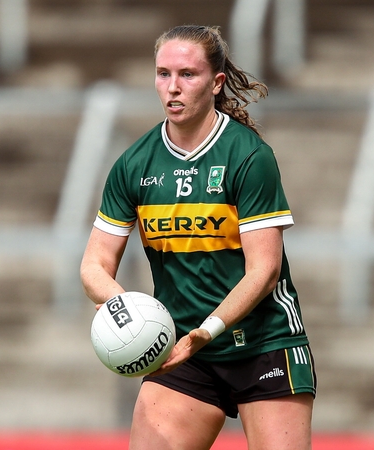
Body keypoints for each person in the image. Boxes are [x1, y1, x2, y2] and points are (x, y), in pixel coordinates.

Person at [80, 25, 315, 450]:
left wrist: (207, 331)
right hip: (182, 350)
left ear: (216, 82)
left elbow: (264, 271)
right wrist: (125, 310)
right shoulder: (134, 164)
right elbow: (94, 266)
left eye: (187, 74)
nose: (172, 87)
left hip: (264, 343)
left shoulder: (248, 156)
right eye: (163, 74)